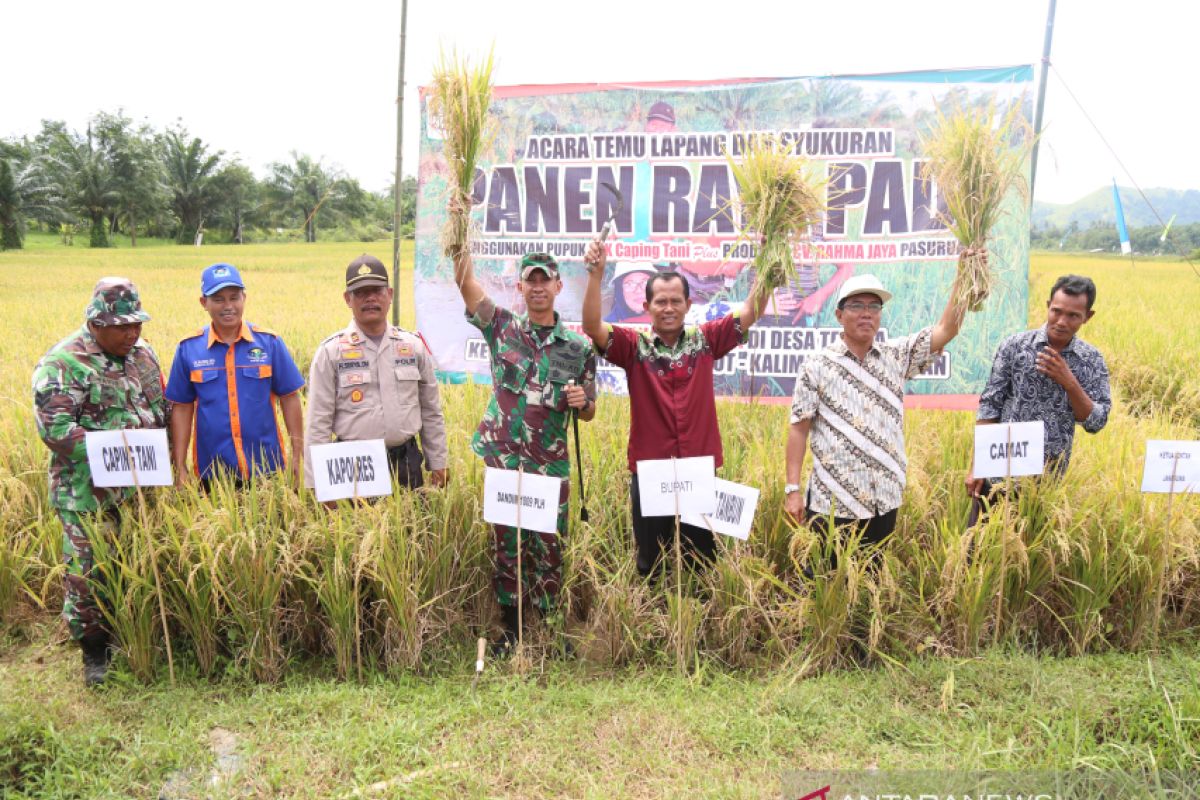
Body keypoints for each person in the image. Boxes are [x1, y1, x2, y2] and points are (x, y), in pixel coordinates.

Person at [581, 243, 774, 577]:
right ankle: (652, 625)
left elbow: (750, 311)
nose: (668, 308)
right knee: (650, 563)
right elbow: (592, 326)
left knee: (700, 563)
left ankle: (697, 626)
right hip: (651, 472)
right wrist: (596, 276)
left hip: (698, 469)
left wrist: (770, 265)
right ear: (647, 306)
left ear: (688, 304)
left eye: (675, 301)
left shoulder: (706, 340)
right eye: (660, 301)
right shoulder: (633, 347)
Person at [452, 247, 597, 655]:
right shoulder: (501, 328)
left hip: (548, 463)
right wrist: (458, 243)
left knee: (548, 542)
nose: (537, 287)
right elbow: (466, 287)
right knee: (507, 542)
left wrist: (579, 402)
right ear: (520, 286)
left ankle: (550, 626)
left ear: (557, 286)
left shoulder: (577, 347)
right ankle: (511, 627)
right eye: (530, 280)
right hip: (504, 458)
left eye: (544, 280)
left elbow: (589, 412)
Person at [32, 278, 170, 686]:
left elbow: (159, 409)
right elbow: (56, 430)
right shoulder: (63, 363)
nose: (133, 333)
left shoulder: (144, 356)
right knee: (87, 578)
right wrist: (116, 453)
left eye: (137, 324)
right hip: (85, 496)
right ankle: (95, 653)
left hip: (141, 492)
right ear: (96, 322)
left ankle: (141, 639)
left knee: (138, 568)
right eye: (122, 326)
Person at [784, 269, 967, 556]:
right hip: (833, 501)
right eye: (856, 306)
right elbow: (798, 428)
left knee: (871, 585)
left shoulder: (895, 357)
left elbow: (947, 329)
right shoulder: (817, 365)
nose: (866, 313)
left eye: (874, 306)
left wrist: (965, 273)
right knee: (826, 585)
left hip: (883, 499)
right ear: (839, 315)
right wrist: (792, 489)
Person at [966, 274, 1111, 521]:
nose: (1062, 321)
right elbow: (990, 405)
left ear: (1088, 316)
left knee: (1033, 555)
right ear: (1047, 306)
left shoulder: (1091, 360)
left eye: (1074, 315)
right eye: (1057, 311)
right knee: (978, 552)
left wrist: (1069, 382)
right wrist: (978, 466)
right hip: (1000, 472)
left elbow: (1096, 422)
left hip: (1048, 483)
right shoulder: (1014, 347)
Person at [305, 254, 449, 495]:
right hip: (353, 464)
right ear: (347, 299)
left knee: (410, 529)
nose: (370, 298)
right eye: (361, 292)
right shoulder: (331, 352)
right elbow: (318, 421)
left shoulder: (412, 346)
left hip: (406, 461)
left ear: (389, 295)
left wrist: (438, 461)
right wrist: (317, 482)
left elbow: (431, 410)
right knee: (357, 531)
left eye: (377, 290)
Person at [165, 263, 305, 485]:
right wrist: (180, 464)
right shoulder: (188, 348)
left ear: (244, 298)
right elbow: (182, 407)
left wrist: (299, 455)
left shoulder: (269, 343)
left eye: (234, 297)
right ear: (204, 303)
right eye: (218, 299)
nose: (228, 306)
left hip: (267, 469)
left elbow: (290, 398)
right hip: (212, 473)